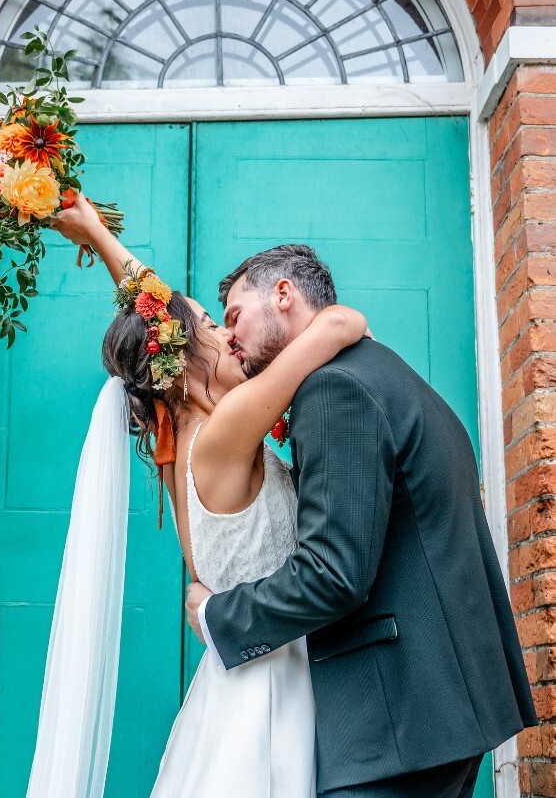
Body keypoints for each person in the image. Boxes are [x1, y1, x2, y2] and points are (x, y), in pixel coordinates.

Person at [182, 244, 539, 798]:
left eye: (233, 316)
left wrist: (216, 617)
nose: (229, 337)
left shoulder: (335, 390)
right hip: (439, 710)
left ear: (283, 295)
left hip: (395, 723)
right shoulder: (380, 371)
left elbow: (333, 574)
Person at [48, 192, 369, 797]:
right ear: (186, 361)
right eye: (214, 325)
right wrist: (336, 323)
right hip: (273, 685)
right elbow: (335, 325)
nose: (227, 333)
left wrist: (97, 234)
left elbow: (163, 321)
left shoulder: (185, 446)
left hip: (237, 676)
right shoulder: (225, 432)